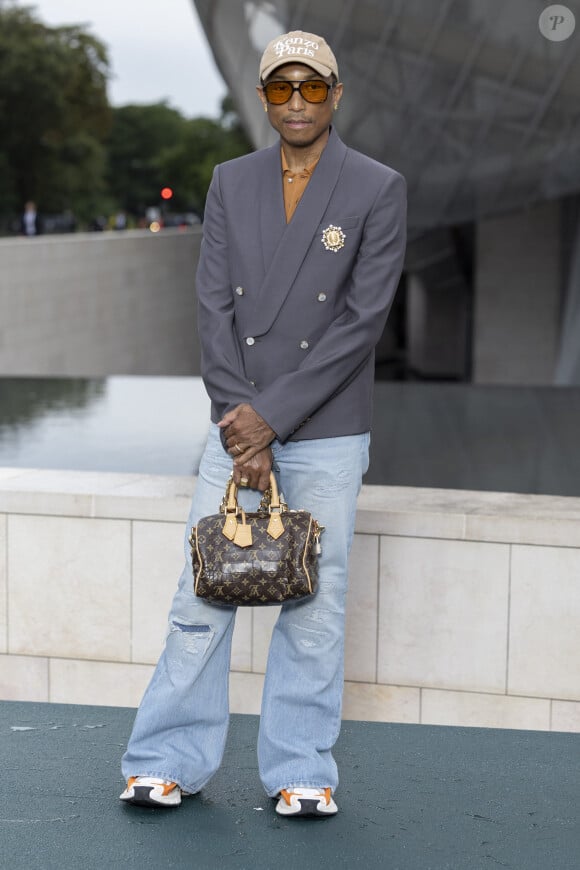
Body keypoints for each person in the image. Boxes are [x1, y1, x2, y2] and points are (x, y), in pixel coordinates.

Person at [120, 29, 407, 818]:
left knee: (315, 605)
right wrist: (237, 419)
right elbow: (213, 306)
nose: (297, 102)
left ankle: (301, 770)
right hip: (235, 419)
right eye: (281, 88)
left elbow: (359, 323)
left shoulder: (377, 187)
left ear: (336, 94)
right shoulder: (229, 181)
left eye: (311, 87)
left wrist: (269, 421)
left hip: (325, 427)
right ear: (263, 98)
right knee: (201, 596)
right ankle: (163, 760)